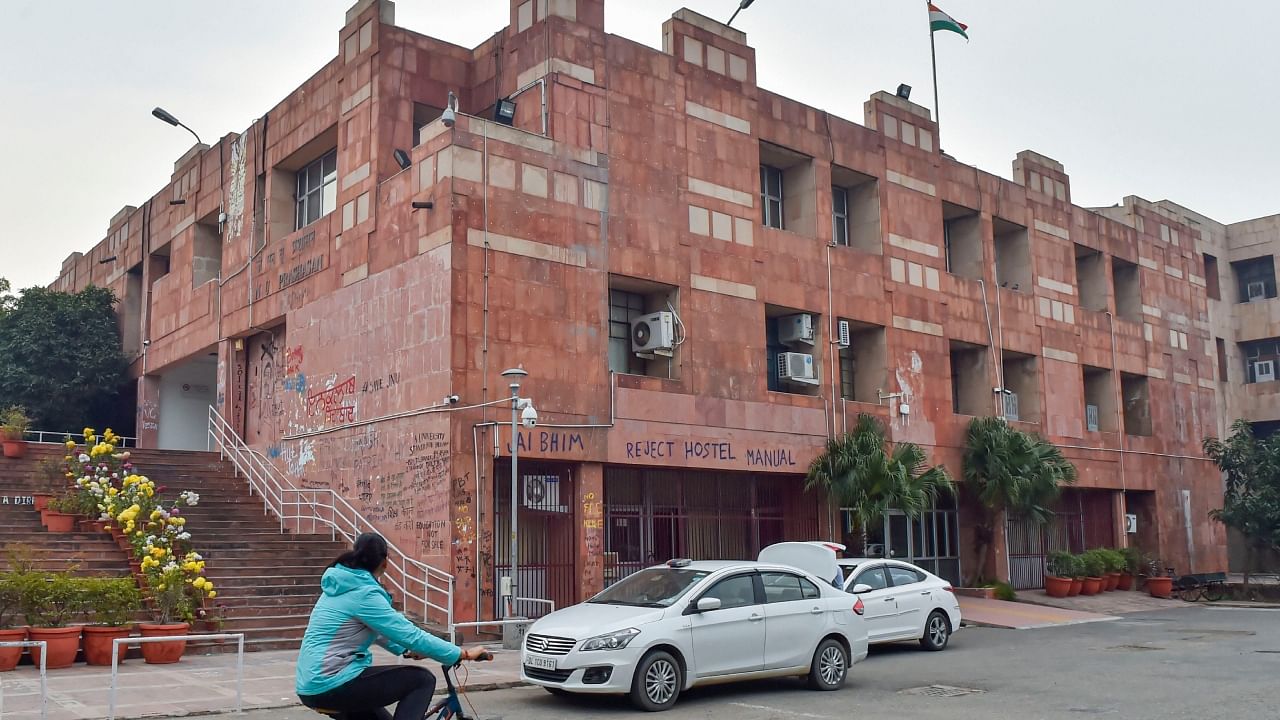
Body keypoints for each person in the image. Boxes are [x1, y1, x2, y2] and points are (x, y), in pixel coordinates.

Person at [296, 533, 487, 720]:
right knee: (421, 680)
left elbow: (380, 631)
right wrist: (462, 654)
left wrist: (406, 650)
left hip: (311, 684)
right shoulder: (364, 594)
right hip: (332, 681)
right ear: (385, 562)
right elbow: (412, 635)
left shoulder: (341, 586)